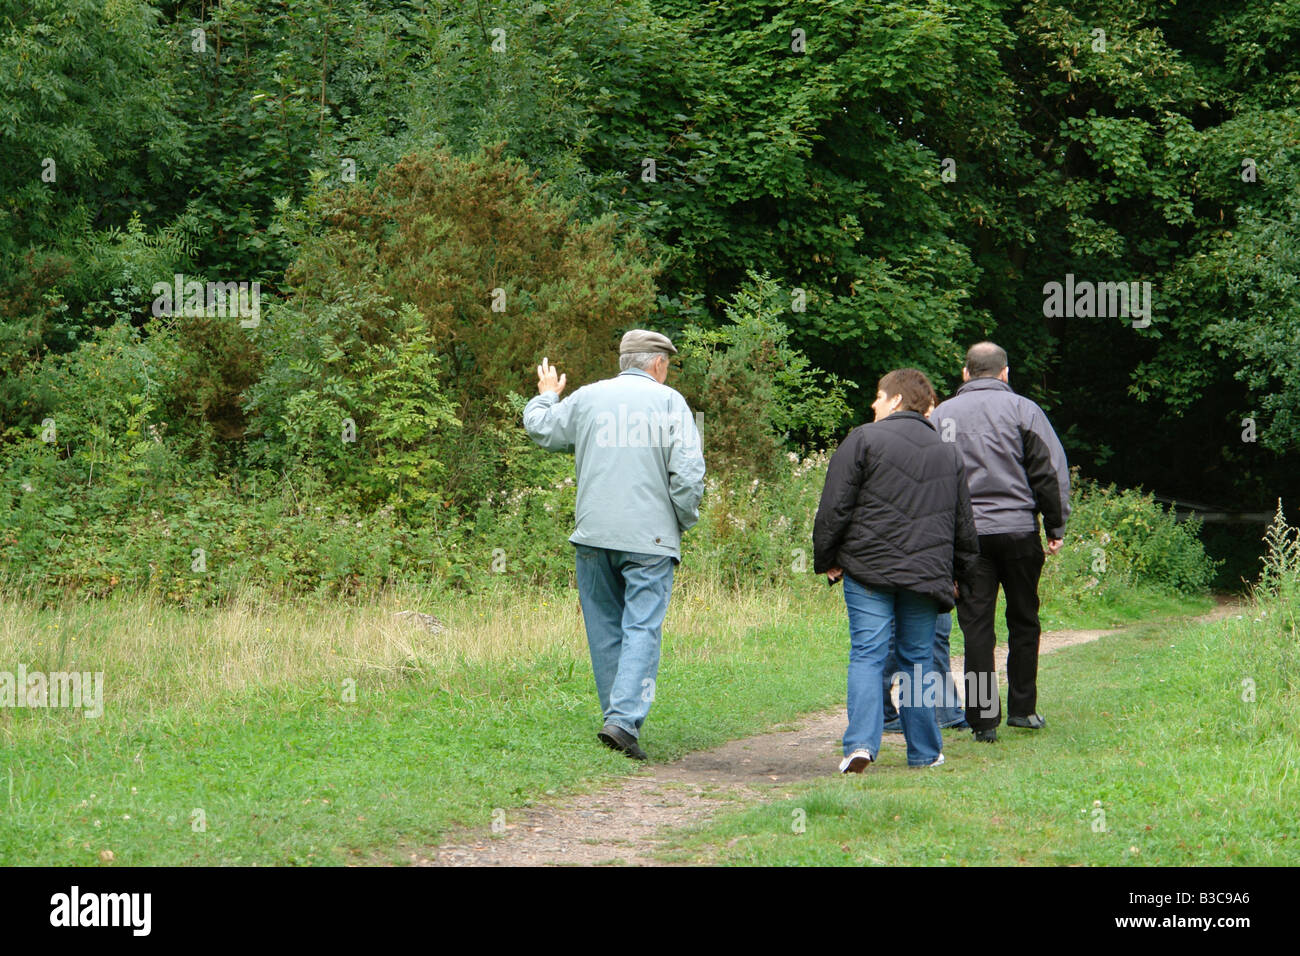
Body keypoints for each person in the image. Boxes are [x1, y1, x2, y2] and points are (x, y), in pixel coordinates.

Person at [523, 330, 705, 760]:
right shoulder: (670, 402)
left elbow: (543, 430)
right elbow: (689, 475)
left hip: (593, 534)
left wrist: (546, 395)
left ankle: (615, 720)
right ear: (658, 364)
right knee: (641, 626)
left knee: (604, 627)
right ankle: (622, 721)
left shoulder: (588, 398)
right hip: (651, 539)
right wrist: (681, 519)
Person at [814, 368, 979, 772]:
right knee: (918, 659)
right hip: (926, 575)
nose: (874, 403)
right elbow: (964, 525)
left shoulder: (862, 440)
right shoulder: (947, 452)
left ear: (897, 401)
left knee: (868, 655)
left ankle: (860, 746)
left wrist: (828, 558)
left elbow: (833, 507)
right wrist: (960, 577)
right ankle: (924, 752)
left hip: (867, 570)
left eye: (879, 396)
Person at [932, 341, 1070, 743]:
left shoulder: (942, 415)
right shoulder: (1024, 410)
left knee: (977, 629)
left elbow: (933, 479)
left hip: (968, 539)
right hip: (1018, 531)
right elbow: (1049, 471)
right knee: (1024, 619)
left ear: (965, 373)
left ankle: (983, 720)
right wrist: (1055, 526)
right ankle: (1023, 710)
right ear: (1004, 372)